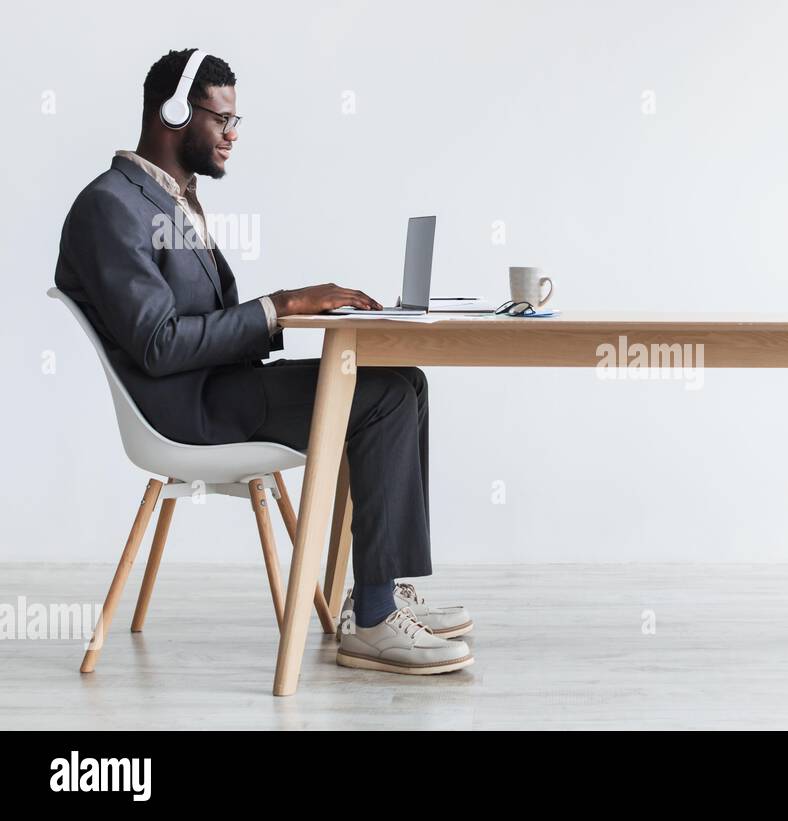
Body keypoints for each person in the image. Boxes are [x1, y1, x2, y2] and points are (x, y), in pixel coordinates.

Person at [53, 48, 473, 676]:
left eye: (236, 122)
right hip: (185, 412)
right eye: (221, 120)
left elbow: (207, 319)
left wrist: (303, 308)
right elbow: (159, 343)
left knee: (403, 382)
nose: (232, 135)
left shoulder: (171, 198)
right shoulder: (111, 206)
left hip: (219, 388)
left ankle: (384, 587)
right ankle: (377, 620)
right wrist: (280, 307)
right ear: (171, 114)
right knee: (381, 398)